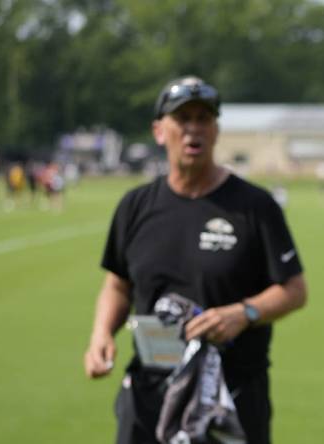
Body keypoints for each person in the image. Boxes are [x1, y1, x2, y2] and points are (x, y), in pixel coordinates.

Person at [83, 76, 307, 444]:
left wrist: (244, 312)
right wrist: (101, 333)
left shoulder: (255, 207)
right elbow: (117, 284)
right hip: (149, 392)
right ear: (159, 131)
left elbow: (295, 289)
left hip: (229, 398)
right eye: (182, 118)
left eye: (204, 118)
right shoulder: (135, 206)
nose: (193, 129)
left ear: (216, 130)